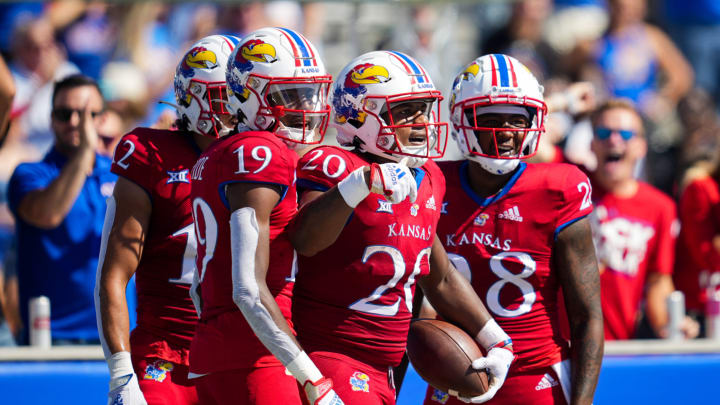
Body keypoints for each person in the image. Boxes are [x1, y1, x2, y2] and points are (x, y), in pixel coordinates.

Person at [289, 50, 515, 405]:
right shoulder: (334, 164)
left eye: (423, 109)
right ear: (360, 115)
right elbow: (304, 238)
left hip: (387, 366)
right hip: (330, 355)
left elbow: (437, 274)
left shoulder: (429, 178)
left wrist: (494, 337)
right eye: (405, 111)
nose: (420, 122)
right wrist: (359, 183)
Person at [423, 54, 604, 405]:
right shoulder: (433, 182)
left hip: (535, 378)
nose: (505, 131)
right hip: (456, 373)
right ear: (462, 122)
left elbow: (586, 315)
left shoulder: (559, 188)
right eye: (490, 119)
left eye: (517, 120)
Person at [188, 27, 343, 405]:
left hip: (218, 351)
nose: (304, 107)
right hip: (256, 357)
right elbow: (248, 290)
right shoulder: (260, 152)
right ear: (247, 95)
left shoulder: (217, 154)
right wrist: (311, 377)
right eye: (289, 95)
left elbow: (199, 285)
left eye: (308, 94)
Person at [94, 35, 240, 405]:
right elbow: (113, 274)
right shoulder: (151, 153)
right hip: (167, 353)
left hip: (238, 353)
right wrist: (121, 373)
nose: (238, 109)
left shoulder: (261, 159)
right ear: (193, 97)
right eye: (227, 96)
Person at [7, 74, 118, 344]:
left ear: (102, 120)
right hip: (52, 337)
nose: (74, 123)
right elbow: (47, 214)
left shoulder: (121, 175)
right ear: (51, 119)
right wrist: (86, 152)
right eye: (64, 113)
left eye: (85, 114)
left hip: (118, 335)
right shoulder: (30, 174)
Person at [588, 98, 698, 340]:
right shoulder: (567, 187)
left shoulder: (660, 207)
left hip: (618, 347)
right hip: (560, 351)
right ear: (592, 144)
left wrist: (669, 324)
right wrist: (565, 103)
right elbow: (535, 151)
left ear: (641, 147)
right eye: (604, 132)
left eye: (625, 134)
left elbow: (658, 279)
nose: (614, 140)